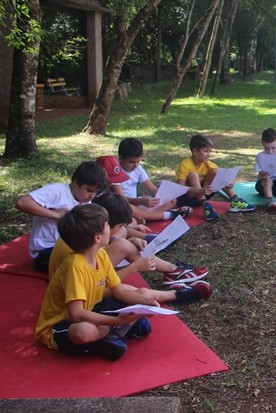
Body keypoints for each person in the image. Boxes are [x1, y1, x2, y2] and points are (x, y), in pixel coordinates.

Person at [34, 204, 159, 360]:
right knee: (84, 331)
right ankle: (113, 333)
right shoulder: (75, 267)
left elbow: (119, 291)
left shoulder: (101, 255)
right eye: (107, 225)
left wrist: (147, 302)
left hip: (92, 309)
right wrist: (116, 321)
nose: (110, 228)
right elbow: (76, 314)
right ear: (97, 237)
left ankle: (111, 335)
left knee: (143, 296)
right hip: (63, 323)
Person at [48, 193, 212, 303]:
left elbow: (105, 279)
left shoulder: (84, 237)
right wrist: (134, 267)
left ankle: (174, 273)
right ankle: (176, 292)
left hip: (80, 288)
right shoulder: (80, 259)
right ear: (101, 230)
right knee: (138, 292)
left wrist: (128, 238)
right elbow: (98, 283)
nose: (120, 229)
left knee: (124, 247)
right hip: (78, 293)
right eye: (118, 226)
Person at [16, 161, 108, 271]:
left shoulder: (85, 200)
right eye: (89, 190)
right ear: (76, 183)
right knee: (85, 263)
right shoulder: (57, 191)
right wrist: (55, 215)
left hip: (70, 246)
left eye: (96, 192)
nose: (92, 195)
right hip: (46, 250)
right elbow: (22, 203)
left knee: (99, 254)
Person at [110, 139, 192, 222]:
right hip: (124, 205)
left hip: (136, 203)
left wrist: (166, 197)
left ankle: (144, 217)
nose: (136, 165)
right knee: (128, 208)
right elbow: (120, 199)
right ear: (120, 158)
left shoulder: (138, 169)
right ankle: (170, 214)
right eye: (132, 162)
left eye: (138, 161)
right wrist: (139, 201)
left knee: (171, 202)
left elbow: (152, 189)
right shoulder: (115, 171)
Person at [176, 134, 255, 219]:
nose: (209, 154)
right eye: (205, 151)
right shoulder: (185, 165)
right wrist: (199, 191)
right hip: (187, 198)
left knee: (217, 172)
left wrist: (229, 183)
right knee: (193, 175)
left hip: (203, 194)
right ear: (195, 152)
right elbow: (179, 188)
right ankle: (205, 206)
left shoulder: (208, 164)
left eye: (210, 151)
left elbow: (223, 175)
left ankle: (234, 200)